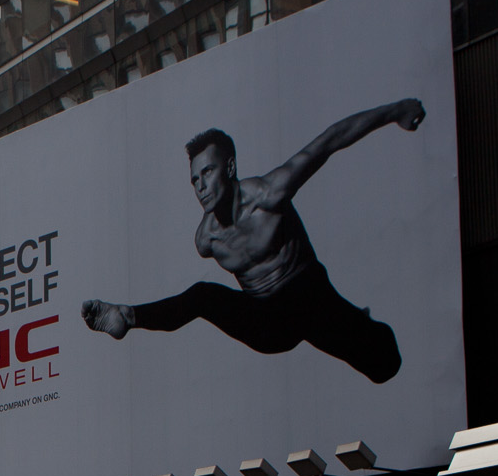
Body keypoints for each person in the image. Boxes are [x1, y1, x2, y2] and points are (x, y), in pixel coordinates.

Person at [79, 100, 426, 385]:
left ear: (229, 168)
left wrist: (396, 111)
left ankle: (360, 324)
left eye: (208, 172)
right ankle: (126, 315)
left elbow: (330, 141)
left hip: (310, 300)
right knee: (202, 296)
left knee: (385, 365)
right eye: (194, 179)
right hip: (267, 325)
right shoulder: (206, 239)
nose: (200, 186)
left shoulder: (270, 193)